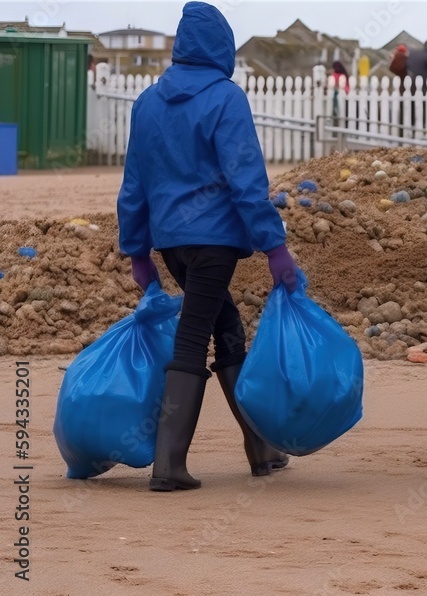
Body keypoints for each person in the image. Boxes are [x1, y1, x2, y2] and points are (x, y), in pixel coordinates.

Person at [117, 1, 301, 491]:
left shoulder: (148, 104)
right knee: (196, 334)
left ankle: (261, 448)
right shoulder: (225, 98)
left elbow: (134, 182)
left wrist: (138, 249)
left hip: (172, 244)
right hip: (215, 240)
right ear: (221, 47)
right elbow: (246, 179)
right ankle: (169, 465)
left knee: (226, 325)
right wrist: (274, 246)